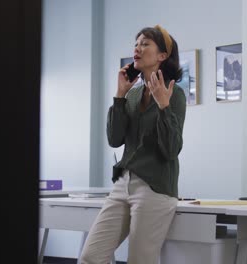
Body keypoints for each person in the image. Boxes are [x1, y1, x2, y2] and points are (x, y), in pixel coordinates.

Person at [80, 25, 186, 264]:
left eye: (145, 43)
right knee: (91, 257)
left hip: (155, 188)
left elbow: (171, 149)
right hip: (122, 184)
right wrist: (119, 95)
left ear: (162, 55)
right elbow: (114, 139)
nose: (137, 48)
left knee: (140, 260)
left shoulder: (174, 94)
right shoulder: (133, 94)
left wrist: (163, 106)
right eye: (136, 43)